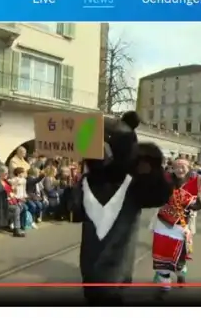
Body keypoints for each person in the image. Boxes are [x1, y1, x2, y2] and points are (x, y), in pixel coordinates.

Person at [70, 111, 173, 304]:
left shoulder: (127, 184)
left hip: (105, 274)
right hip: (102, 274)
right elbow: (74, 213)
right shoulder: (94, 182)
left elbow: (160, 194)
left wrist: (151, 170)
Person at [151, 158, 201, 295]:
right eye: (177, 166)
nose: (180, 169)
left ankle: (180, 274)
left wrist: (191, 204)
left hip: (182, 226)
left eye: (183, 166)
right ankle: (164, 286)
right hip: (163, 224)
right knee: (161, 255)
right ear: (172, 168)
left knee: (180, 257)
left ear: (189, 168)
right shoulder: (166, 181)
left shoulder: (192, 184)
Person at [0, 167, 26, 237]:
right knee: (17, 209)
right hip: (3, 202)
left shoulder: (6, 181)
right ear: (1, 173)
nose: (7, 175)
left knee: (21, 206)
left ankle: (12, 224)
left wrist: (14, 190)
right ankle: (17, 229)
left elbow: (12, 190)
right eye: (5, 173)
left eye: (7, 173)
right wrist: (8, 194)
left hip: (11, 200)